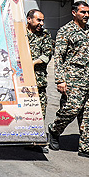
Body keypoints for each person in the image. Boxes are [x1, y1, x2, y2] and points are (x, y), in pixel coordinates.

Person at [48, 1, 89, 161]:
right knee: (71, 110)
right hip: (73, 81)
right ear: (74, 13)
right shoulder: (65, 31)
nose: (86, 15)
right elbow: (58, 57)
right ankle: (54, 130)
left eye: (88, 12)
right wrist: (60, 80)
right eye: (83, 12)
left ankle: (87, 147)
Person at [26, 8, 52, 153]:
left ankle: (36, 141)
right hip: (20, 80)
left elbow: (47, 54)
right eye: (38, 20)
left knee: (39, 111)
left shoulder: (45, 35)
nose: (41, 23)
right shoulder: (19, 33)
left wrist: (32, 63)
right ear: (29, 19)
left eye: (42, 20)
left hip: (38, 80)